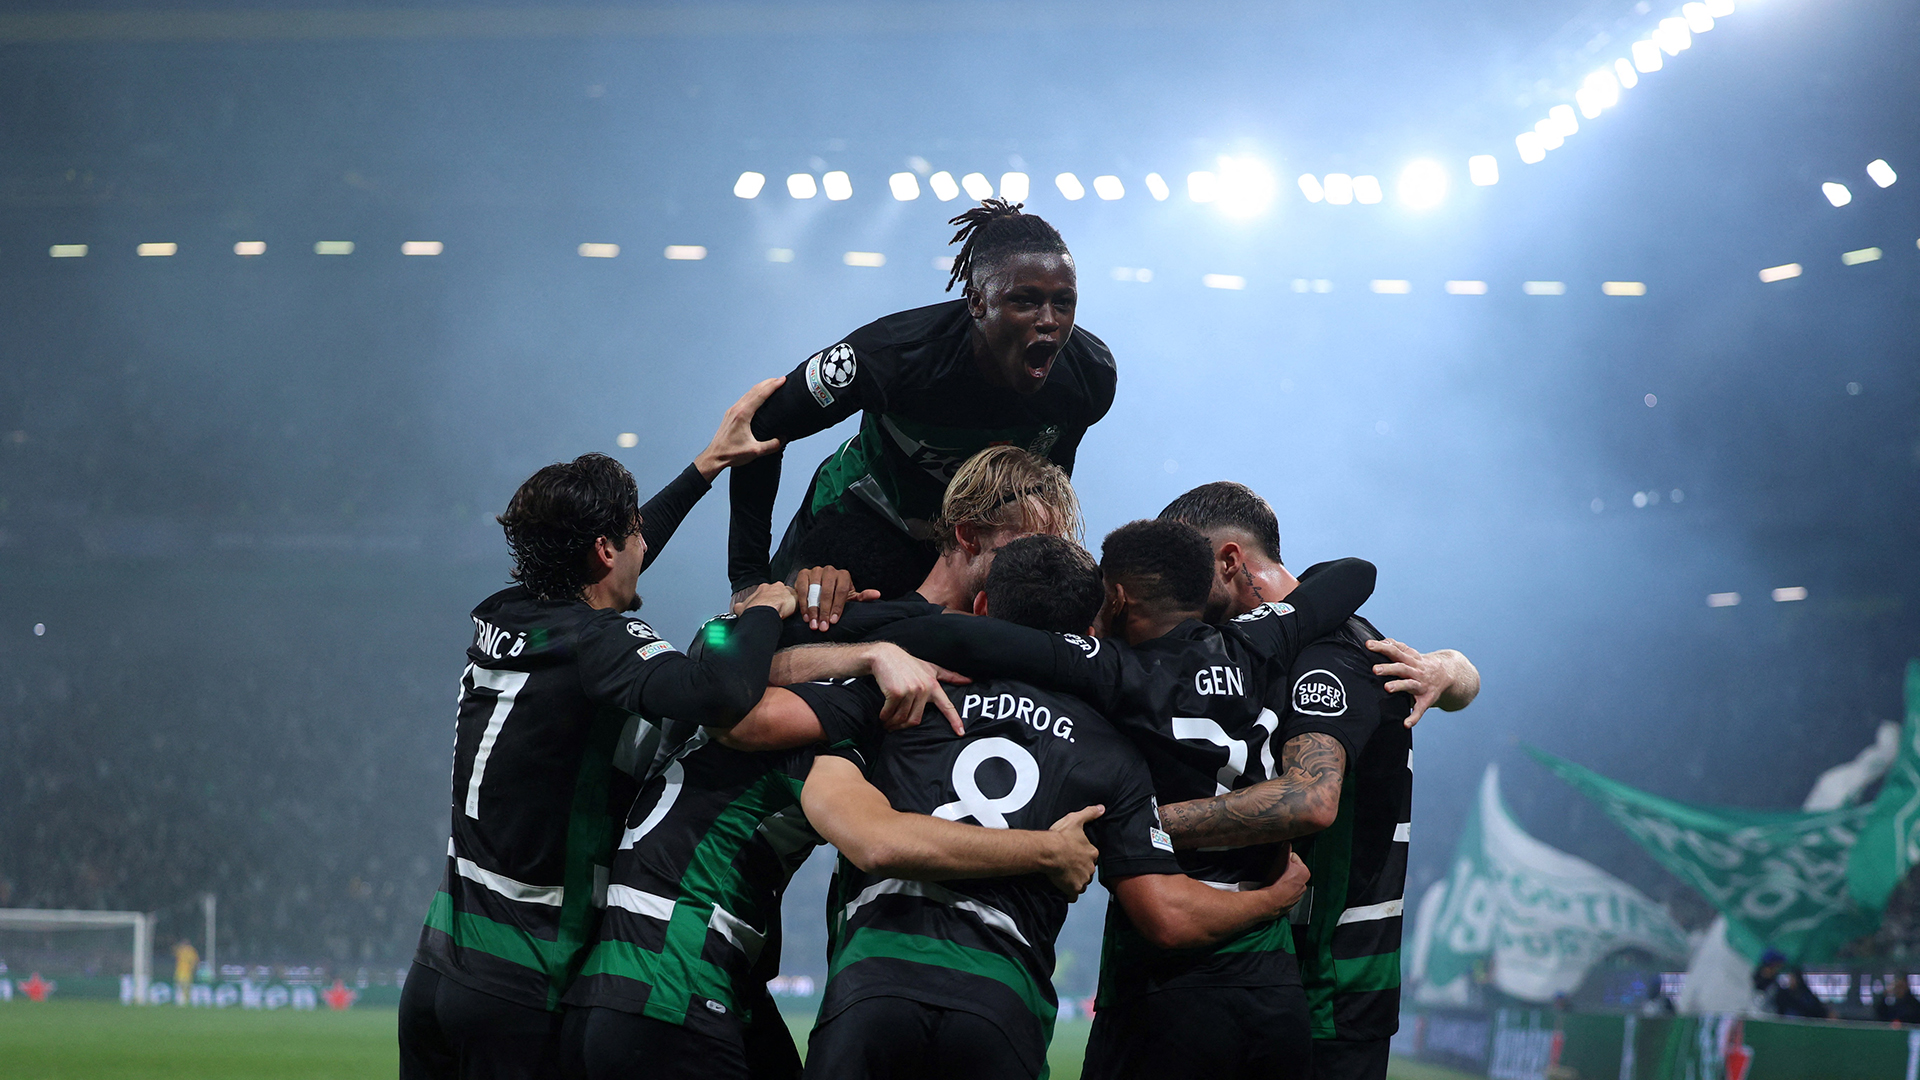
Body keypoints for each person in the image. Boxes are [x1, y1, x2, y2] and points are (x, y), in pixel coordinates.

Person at [792, 521, 1373, 1079]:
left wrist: (849, 627)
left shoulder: (1116, 674)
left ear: (1116, 600)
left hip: (1163, 990)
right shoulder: (1256, 643)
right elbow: (1356, 572)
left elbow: (959, 637)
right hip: (1271, 984)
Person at [399, 383, 801, 1080]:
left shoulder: (510, 610)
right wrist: (761, 607)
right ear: (604, 550)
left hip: (436, 970)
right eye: (633, 534)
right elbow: (723, 693)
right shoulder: (599, 645)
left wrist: (705, 469)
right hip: (519, 982)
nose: (645, 541)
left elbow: (609, 560)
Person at [562, 679, 1106, 1080]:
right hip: (673, 989)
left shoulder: (714, 720)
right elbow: (879, 842)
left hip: (609, 989)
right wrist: (1046, 849)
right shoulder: (820, 750)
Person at [1152, 481, 1479, 1080]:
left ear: (1228, 562)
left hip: (1327, 989)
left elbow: (1310, 798)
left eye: (1180, 568)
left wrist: (1141, 826)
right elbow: (1459, 680)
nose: (1171, 592)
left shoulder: (1325, 655)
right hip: (1288, 981)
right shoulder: (1286, 642)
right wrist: (1455, 669)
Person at [727, 199, 1115, 603]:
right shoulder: (891, 357)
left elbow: (1047, 478)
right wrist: (748, 577)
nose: (1049, 320)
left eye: (1063, 302)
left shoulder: (1090, 375)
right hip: (856, 520)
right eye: (1025, 300)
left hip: (959, 547)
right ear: (977, 302)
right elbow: (762, 427)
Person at [778, 444, 1085, 646]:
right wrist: (795, 602)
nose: (1043, 569)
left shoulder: (1047, 648)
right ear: (968, 536)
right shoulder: (859, 619)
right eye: (1028, 548)